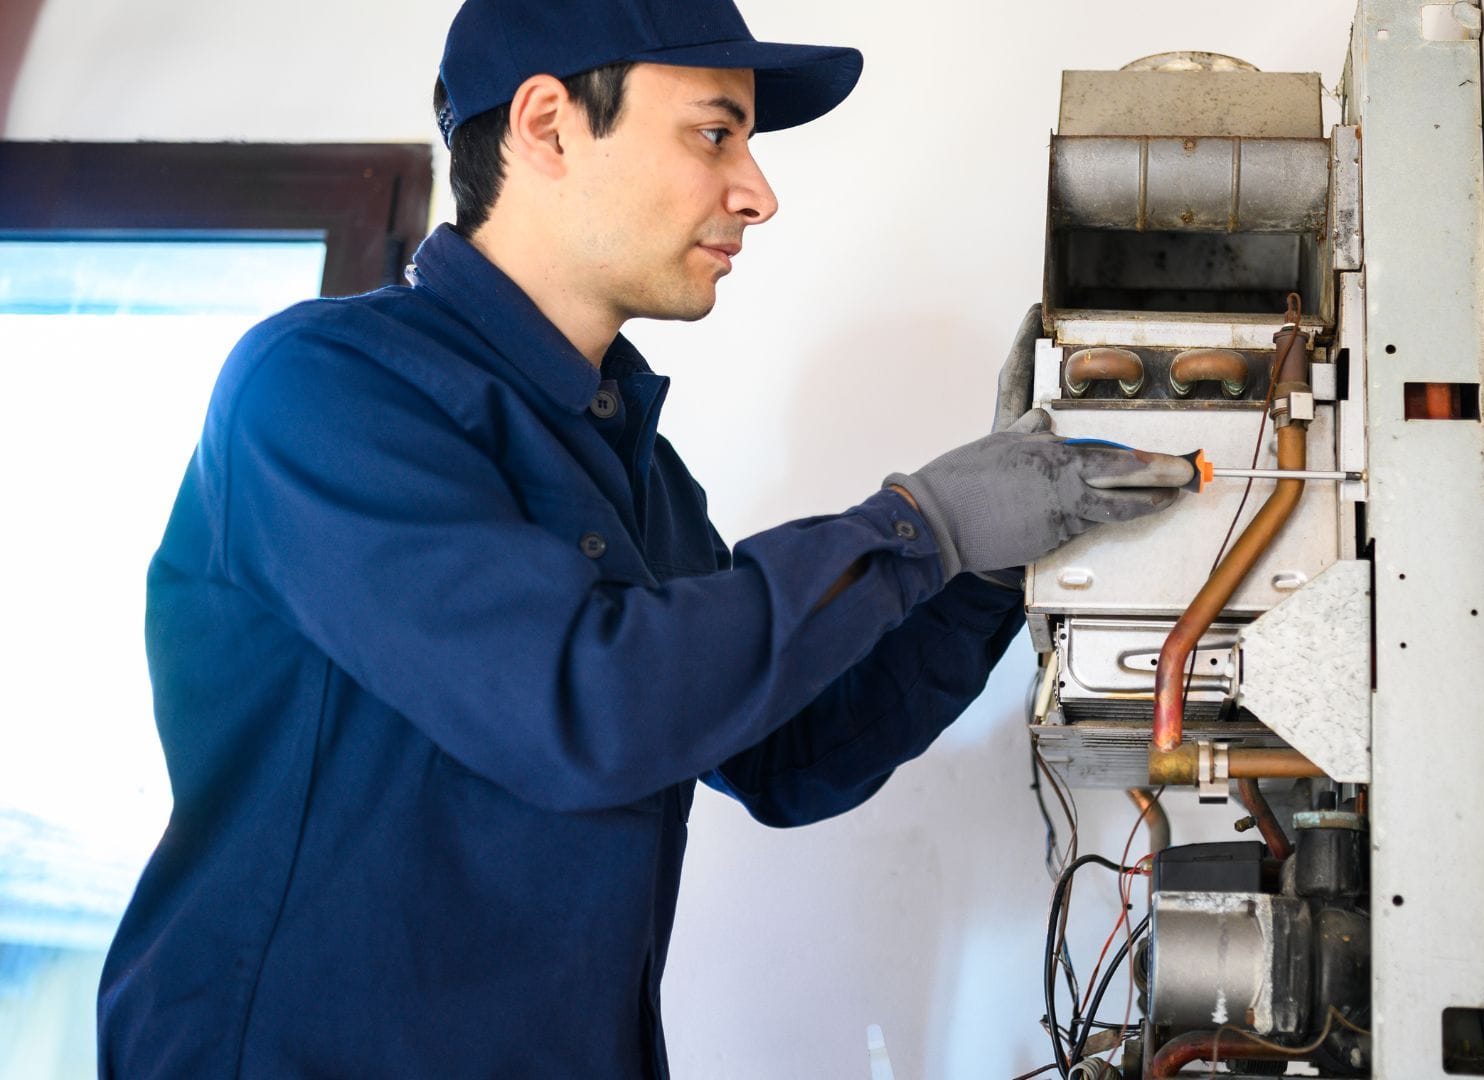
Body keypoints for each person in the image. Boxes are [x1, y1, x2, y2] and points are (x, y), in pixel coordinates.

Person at [95, 0, 1193, 1075]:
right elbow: (582, 704)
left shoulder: (635, 472)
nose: (756, 192)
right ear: (547, 125)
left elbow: (792, 752)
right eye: (716, 132)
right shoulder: (325, 390)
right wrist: (924, 527)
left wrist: (988, 562)